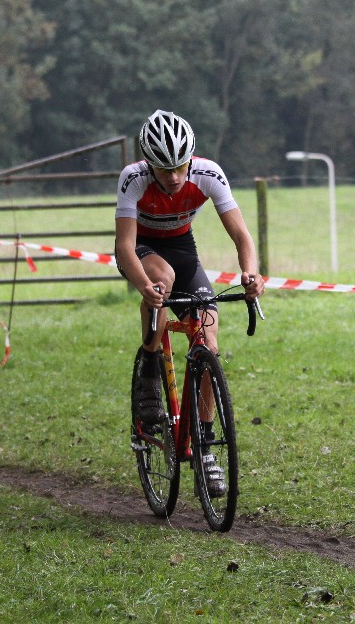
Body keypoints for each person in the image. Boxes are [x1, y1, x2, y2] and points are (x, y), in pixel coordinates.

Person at [114, 109, 264, 496]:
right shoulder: (133, 178)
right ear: (149, 163)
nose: (175, 177)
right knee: (162, 279)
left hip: (183, 250)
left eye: (181, 166)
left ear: (191, 159)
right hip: (143, 250)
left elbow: (242, 236)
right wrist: (144, 285)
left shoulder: (209, 174)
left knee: (208, 341)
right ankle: (150, 370)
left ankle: (205, 447)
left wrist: (251, 274)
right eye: (165, 170)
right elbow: (124, 246)